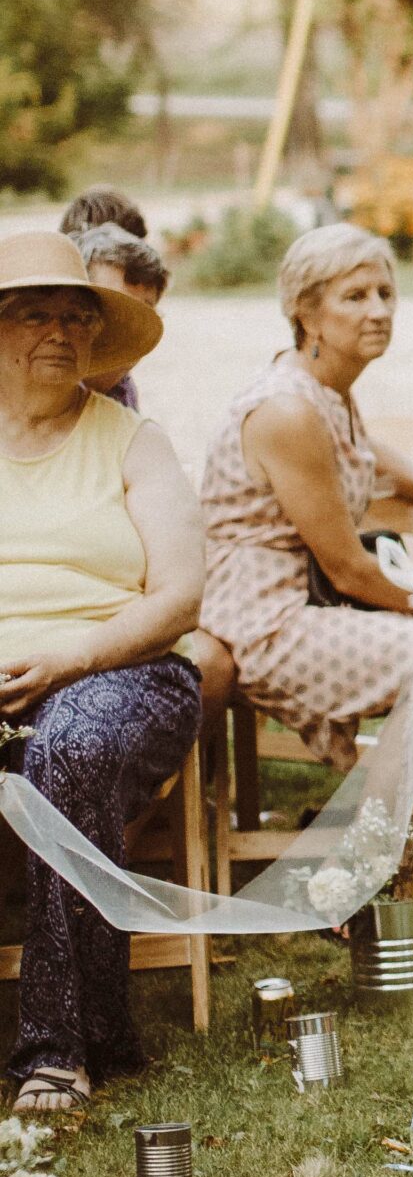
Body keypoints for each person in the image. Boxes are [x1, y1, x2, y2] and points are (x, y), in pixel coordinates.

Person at [0, 231, 203, 1112]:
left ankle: (62, 1044)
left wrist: (71, 656)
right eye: (34, 314)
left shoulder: (133, 441)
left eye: (76, 316)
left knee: (71, 745)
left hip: (126, 670)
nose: (60, 331)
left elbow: (181, 597)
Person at [196, 224, 413, 767]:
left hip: (303, 603)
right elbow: (349, 571)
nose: (378, 311)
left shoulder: (323, 389)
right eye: (355, 297)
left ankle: (396, 810)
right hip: (263, 622)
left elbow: (362, 448)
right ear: (306, 315)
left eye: (385, 293)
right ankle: (387, 818)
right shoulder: (287, 410)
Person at [72, 224, 170, 411]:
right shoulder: (33, 395)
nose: (129, 331)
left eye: (143, 316)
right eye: (113, 308)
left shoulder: (122, 390)